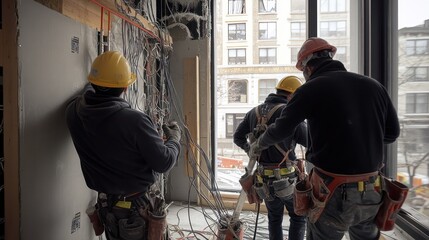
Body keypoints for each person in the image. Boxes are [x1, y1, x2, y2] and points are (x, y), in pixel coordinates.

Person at [249, 37, 401, 240]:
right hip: (371, 190)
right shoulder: (374, 86)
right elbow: (392, 133)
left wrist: (258, 144)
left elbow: (281, 129)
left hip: (331, 191)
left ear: (306, 67)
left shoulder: (311, 89)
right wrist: (359, 138)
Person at [65, 51, 181, 240]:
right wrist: (175, 139)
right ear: (126, 87)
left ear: (93, 82)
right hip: (136, 207)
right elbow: (164, 162)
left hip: (108, 206)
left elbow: (87, 93)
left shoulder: (73, 112)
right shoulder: (134, 121)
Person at [233, 76, 307, 240]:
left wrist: (252, 150)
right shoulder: (288, 114)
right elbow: (309, 140)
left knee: (274, 219)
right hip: (287, 180)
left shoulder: (254, 112)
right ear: (291, 96)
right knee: (298, 217)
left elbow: (238, 137)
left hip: (264, 180)